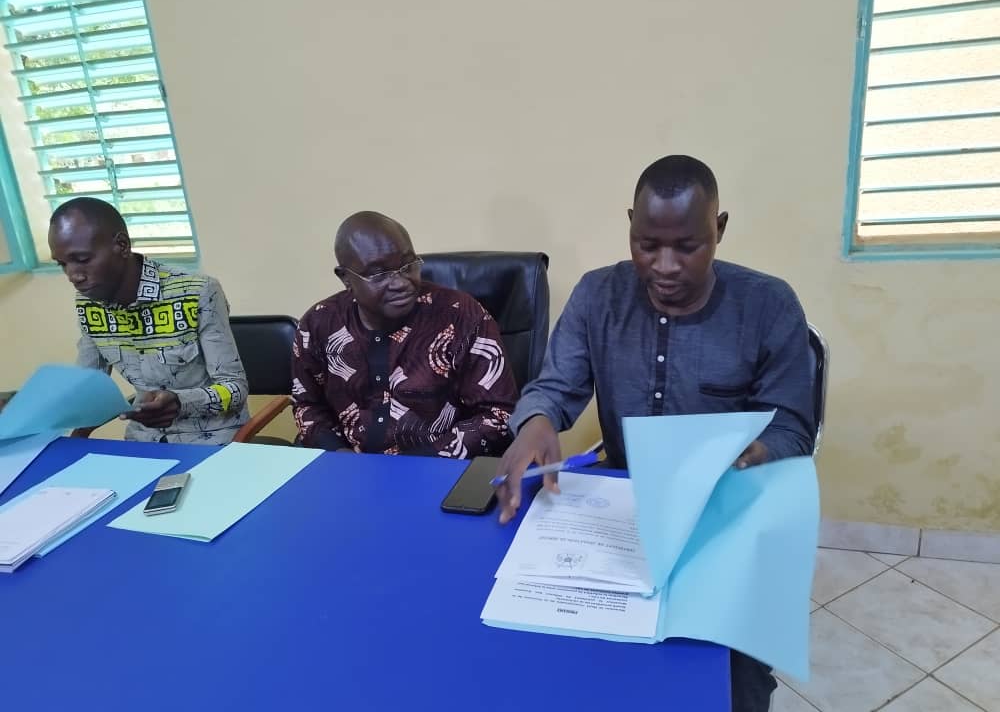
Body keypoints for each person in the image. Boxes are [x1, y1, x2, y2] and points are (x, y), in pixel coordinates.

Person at [494, 154, 815, 712]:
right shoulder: (597, 294)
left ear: (719, 229)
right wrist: (536, 422)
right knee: (565, 656)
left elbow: (792, 425)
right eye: (646, 245)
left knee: (726, 682)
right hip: (626, 505)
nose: (664, 266)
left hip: (724, 508)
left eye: (687, 247)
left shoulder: (768, 304)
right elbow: (554, 386)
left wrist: (748, 453)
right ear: (630, 225)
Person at [291, 211, 518, 457]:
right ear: (345, 277)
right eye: (379, 273)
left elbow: (499, 414)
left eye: (408, 265)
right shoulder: (319, 323)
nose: (401, 283)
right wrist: (339, 455)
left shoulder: (461, 316)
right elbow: (307, 405)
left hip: (441, 465)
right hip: (348, 466)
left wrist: (424, 462)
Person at [48, 197, 249, 444]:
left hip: (212, 439)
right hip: (144, 440)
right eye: (62, 264)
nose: (73, 276)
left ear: (121, 245)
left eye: (82, 259)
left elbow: (235, 388)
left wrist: (181, 402)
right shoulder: (89, 302)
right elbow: (87, 389)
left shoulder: (197, 291)